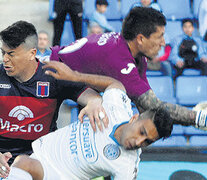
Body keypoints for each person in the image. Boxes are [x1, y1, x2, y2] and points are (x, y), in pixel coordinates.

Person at [6, 61, 174, 180]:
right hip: (43, 152)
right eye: (142, 132)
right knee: (22, 162)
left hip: (60, 176)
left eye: (147, 142)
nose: (138, 141)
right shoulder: (116, 108)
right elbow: (115, 84)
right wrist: (76, 77)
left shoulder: (127, 165)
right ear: (134, 118)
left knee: (23, 163)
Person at [50, 7, 207, 131]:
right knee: (35, 143)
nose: (163, 43)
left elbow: (147, 106)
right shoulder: (121, 62)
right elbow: (154, 106)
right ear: (140, 39)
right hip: (50, 73)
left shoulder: (135, 53)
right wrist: (198, 118)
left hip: (74, 80)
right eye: (159, 36)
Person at [0, 21, 107, 178]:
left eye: (11, 54)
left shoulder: (53, 75)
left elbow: (90, 96)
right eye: (3, 53)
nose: (5, 59)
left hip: (43, 158)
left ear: (32, 53)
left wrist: (94, 102)